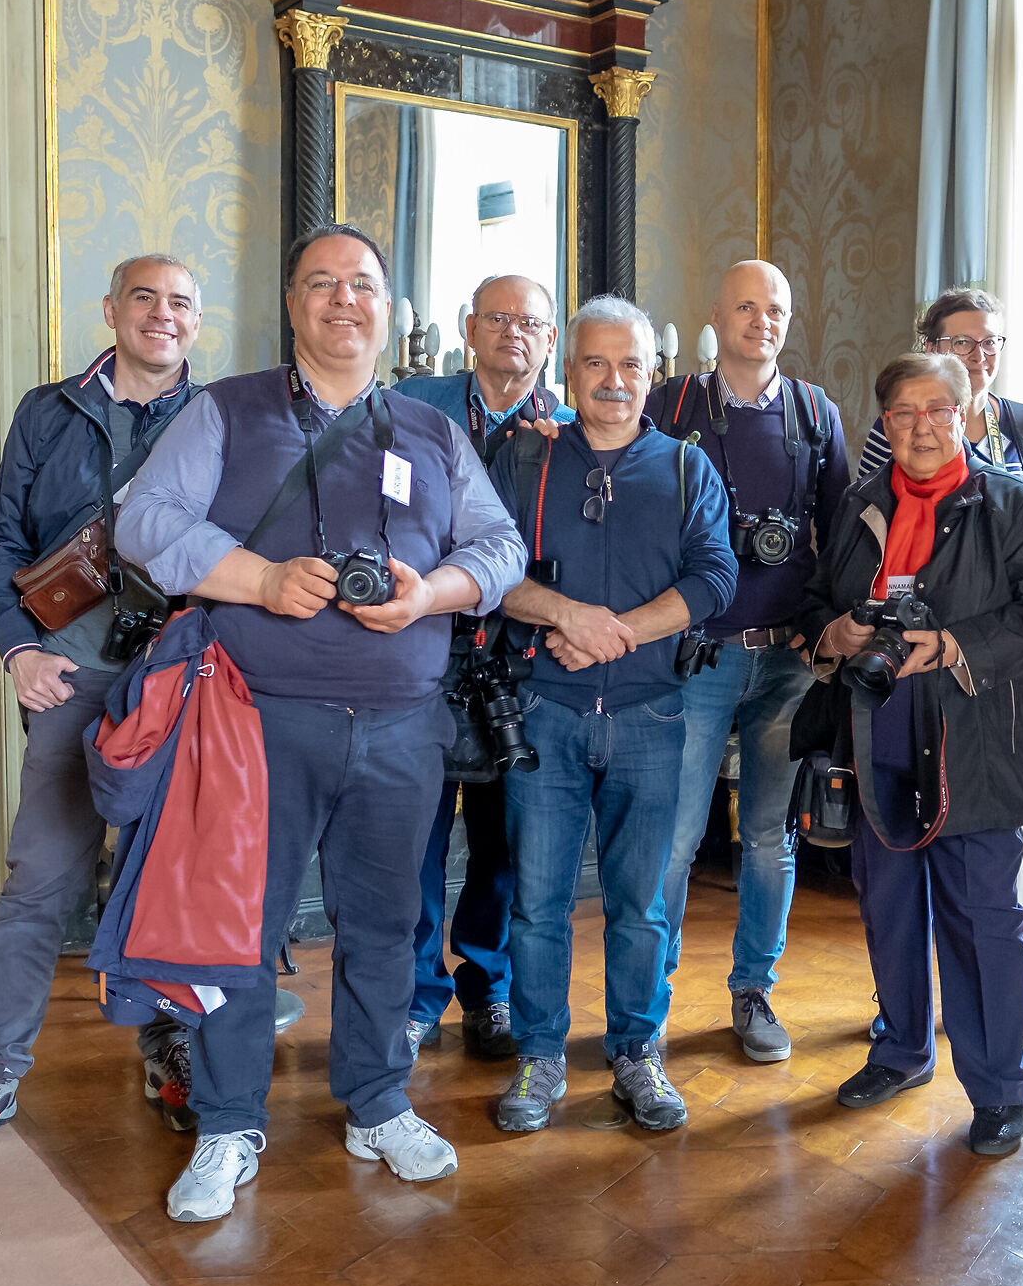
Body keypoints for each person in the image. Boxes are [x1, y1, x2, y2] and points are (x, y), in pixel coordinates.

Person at [117, 223, 526, 1221]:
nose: (346, 300)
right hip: (255, 721)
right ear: (292, 302)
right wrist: (258, 577)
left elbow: (502, 544)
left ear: (390, 311)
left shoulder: (431, 431)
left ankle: (379, 1101)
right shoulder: (227, 409)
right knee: (236, 930)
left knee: (388, 924)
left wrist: (430, 593)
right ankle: (225, 1122)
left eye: (365, 286)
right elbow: (142, 520)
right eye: (323, 283)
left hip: (401, 724)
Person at [0, 255, 209, 1162]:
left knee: (170, 881)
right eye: (145, 299)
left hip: (175, 686)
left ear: (196, 322)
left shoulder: (221, 419)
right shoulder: (48, 411)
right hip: (69, 679)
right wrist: (18, 651)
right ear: (112, 310)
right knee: (40, 881)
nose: (162, 316)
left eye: (180, 304)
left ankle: (170, 1047)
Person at [801, 352, 1023, 1156]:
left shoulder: (1013, 506)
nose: (920, 426)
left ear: (965, 416)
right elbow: (821, 599)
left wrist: (957, 643)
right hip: (874, 731)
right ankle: (901, 1050)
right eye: (902, 414)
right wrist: (839, 631)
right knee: (888, 909)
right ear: (883, 426)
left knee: (981, 919)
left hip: (975, 745)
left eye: (936, 410)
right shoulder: (861, 504)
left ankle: (996, 1088)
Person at [488, 297, 737, 1132]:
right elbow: (487, 571)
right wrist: (566, 616)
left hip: (652, 717)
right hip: (545, 715)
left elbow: (713, 580)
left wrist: (609, 635)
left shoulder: (683, 468)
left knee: (641, 904)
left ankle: (637, 1052)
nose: (614, 380)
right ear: (570, 371)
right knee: (538, 901)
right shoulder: (528, 463)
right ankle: (540, 1055)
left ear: (652, 375)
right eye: (595, 364)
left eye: (630, 365)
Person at [647, 259, 849, 1062]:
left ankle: (753, 992)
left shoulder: (812, 410)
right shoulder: (673, 405)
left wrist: (823, 623)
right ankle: (647, 1003)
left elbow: (841, 529)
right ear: (717, 314)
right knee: (677, 838)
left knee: (769, 836)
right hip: (700, 655)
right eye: (745, 306)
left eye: (775, 309)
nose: (761, 320)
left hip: (788, 659)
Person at [391, 274, 576, 1063]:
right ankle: (415, 994)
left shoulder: (576, 429)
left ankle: (487, 989)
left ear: (551, 339)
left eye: (530, 322)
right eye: (497, 318)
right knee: (415, 840)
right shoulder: (412, 404)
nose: (514, 333)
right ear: (469, 328)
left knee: (505, 848)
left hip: (524, 666)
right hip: (424, 654)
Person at [857, 288, 1023, 510]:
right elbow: (868, 511)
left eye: (990, 342)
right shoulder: (902, 422)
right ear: (932, 348)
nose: (979, 355)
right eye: (962, 342)